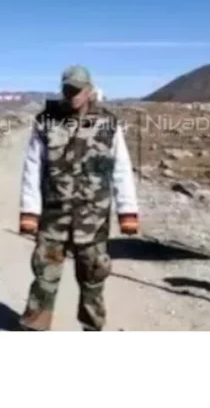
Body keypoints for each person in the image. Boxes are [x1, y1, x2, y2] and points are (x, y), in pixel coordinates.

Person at [16, 64, 139, 331]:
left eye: (78, 90)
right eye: (67, 89)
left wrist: (127, 211)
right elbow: (32, 167)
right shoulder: (46, 122)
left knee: (93, 278)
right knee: (44, 277)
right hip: (53, 216)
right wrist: (29, 212)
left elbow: (121, 168)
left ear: (90, 90)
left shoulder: (108, 124)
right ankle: (34, 328)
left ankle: (92, 329)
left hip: (92, 219)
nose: (72, 95)